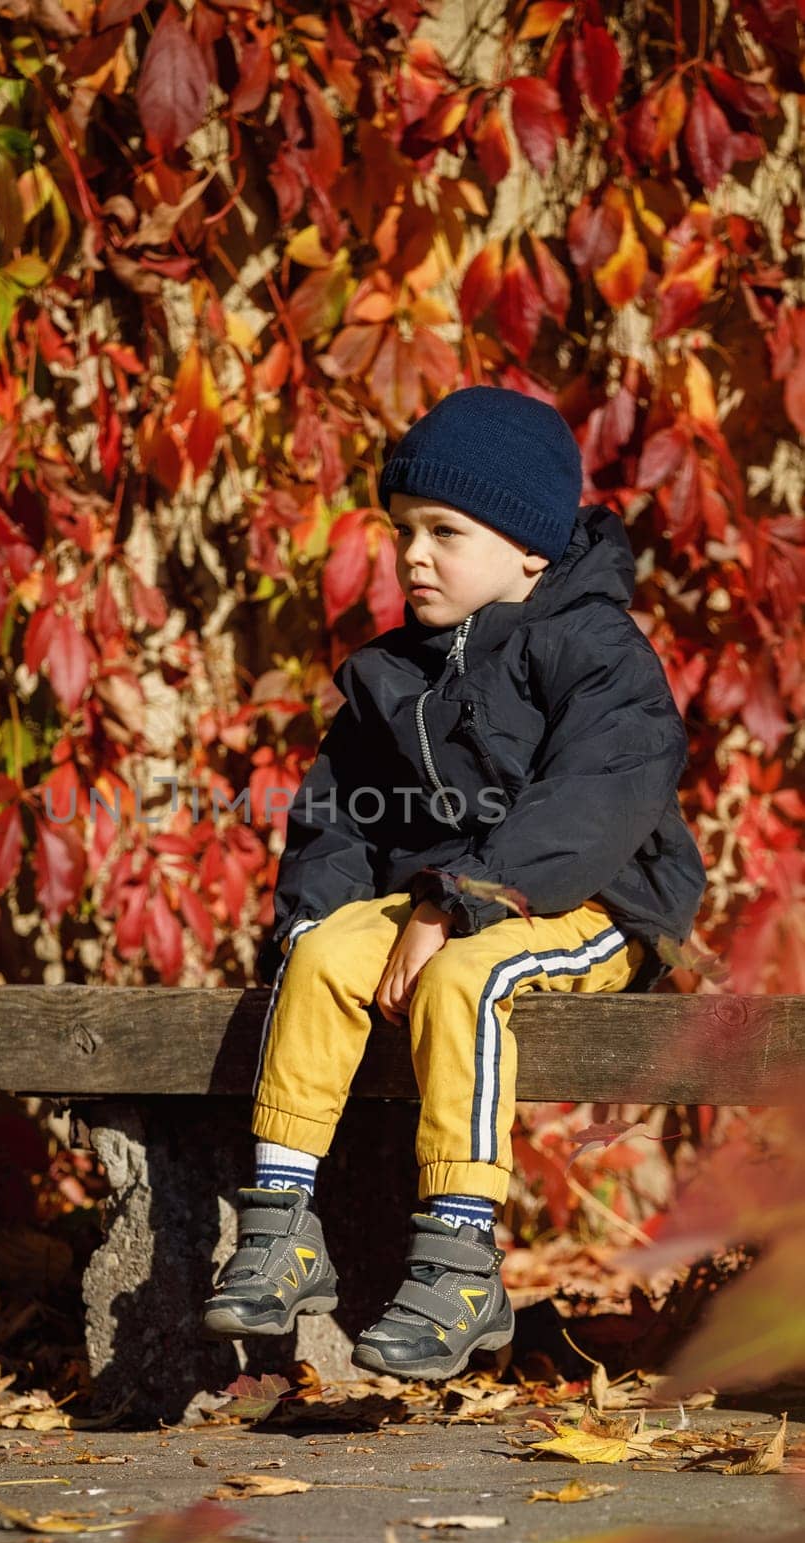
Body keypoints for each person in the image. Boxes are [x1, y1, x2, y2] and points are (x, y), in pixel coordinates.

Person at [201, 385, 708, 1380]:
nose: (412, 554)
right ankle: (280, 1225)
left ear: (527, 548)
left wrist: (454, 902)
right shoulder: (390, 672)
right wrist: (316, 917)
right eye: (401, 531)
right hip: (446, 898)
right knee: (322, 953)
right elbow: (335, 817)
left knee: (460, 979)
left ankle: (460, 1254)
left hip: (594, 902)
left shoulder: (596, 654)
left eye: (444, 531)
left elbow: (590, 810)